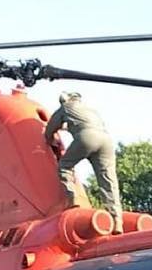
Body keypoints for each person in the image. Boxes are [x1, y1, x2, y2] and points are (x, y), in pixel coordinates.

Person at [43, 91, 123, 222]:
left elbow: (51, 127)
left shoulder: (66, 107)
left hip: (87, 138)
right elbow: (84, 124)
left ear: (65, 100)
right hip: (106, 140)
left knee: (64, 166)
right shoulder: (91, 111)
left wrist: (49, 138)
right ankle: (116, 220)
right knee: (109, 181)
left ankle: (74, 198)